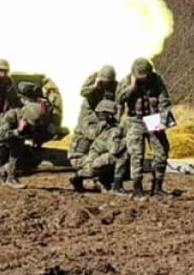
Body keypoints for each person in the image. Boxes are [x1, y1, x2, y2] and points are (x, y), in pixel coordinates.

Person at [115, 57, 172, 198]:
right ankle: (137, 187)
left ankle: (157, 187)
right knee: (136, 154)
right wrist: (132, 88)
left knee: (161, 152)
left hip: (153, 119)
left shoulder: (156, 80)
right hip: (135, 120)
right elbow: (119, 99)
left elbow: (164, 100)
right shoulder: (126, 81)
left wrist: (163, 121)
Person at [69, 99, 129, 195]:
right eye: (110, 114)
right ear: (103, 113)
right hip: (79, 157)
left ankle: (103, 180)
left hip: (92, 154)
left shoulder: (109, 125)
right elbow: (93, 135)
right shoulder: (90, 121)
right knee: (116, 157)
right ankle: (84, 176)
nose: (113, 117)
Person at [0, 102, 47, 189]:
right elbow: (0, 138)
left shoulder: (32, 120)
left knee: (34, 157)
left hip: (11, 148)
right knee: (18, 144)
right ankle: (7, 176)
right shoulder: (11, 116)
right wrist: (18, 131)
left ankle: (3, 173)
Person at [69, 65, 117, 168]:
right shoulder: (93, 78)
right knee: (85, 134)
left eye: (108, 81)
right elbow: (83, 92)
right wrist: (95, 86)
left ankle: (95, 158)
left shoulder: (114, 85)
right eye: (105, 81)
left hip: (102, 114)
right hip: (89, 113)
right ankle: (84, 159)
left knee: (101, 134)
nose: (106, 84)